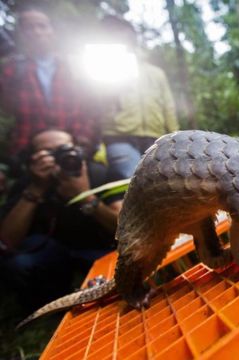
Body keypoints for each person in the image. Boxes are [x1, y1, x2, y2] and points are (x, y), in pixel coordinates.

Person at [0, 129, 122, 310]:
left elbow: (127, 229)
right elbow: (7, 242)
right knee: (18, 263)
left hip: (100, 251)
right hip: (52, 255)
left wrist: (85, 196)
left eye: (64, 149)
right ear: (32, 158)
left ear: (78, 149)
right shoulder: (27, 183)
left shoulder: (99, 173)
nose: (59, 157)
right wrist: (36, 190)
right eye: (48, 153)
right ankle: (49, 303)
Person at [0, 5, 98, 160]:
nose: (36, 32)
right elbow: (4, 116)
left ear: (53, 30)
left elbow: (90, 107)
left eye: (42, 26)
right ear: (21, 34)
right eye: (28, 28)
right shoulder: (10, 68)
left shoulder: (75, 65)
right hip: (25, 152)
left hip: (73, 149)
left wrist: (83, 141)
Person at [98, 15, 179, 181]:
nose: (122, 37)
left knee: (163, 184)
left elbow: (168, 108)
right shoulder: (102, 68)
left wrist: (176, 140)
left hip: (156, 140)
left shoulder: (156, 73)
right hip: (119, 137)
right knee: (133, 181)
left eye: (125, 33)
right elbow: (95, 106)